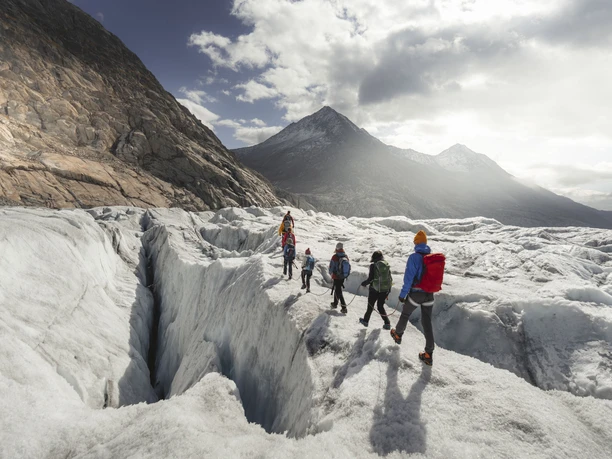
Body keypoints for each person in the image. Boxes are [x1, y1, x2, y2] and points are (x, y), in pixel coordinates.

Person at [390, 230, 436, 366]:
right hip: (430, 294)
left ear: (416, 243)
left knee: (405, 314)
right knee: (427, 322)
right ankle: (428, 354)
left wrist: (402, 295)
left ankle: (397, 334)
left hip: (416, 294)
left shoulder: (414, 257)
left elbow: (409, 278)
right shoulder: (432, 257)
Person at [359, 250, 392, 330]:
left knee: (370, 305)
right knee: (380, 306)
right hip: (384, 289)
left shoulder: (373, 266)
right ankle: (387, 323)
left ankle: (366, 321)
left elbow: (370, 279)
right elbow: (390, 278)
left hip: (374, 289)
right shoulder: (386, 265)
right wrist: (388, 289)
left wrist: (364, 283)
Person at [329, 242, 350, 313]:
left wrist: (331, 274)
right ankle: (335, 303)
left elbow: (331, 267)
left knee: (338, 290)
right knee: (338, 289)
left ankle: (344, 307)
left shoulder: (335, 257)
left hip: (336, 276)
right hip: (343, 276)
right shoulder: (345, 256)